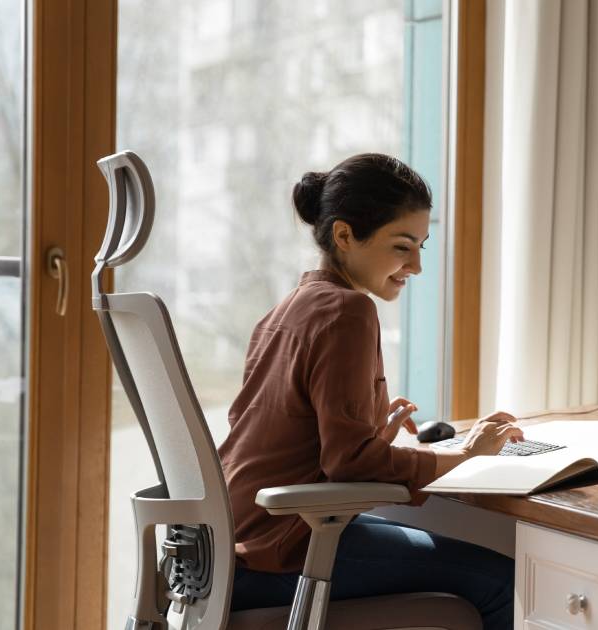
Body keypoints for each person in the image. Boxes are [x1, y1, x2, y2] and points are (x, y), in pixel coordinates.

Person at [218, 153, 522, 629]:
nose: (417, 266)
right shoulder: (348, 311)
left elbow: (291, 443)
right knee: (507, 581)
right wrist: (468, 457)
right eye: (403, 247)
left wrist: (373, 437)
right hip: (281, 553)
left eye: (421, 245)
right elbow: (350, 464)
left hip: (229, 552)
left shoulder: (285, 311)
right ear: (344, 236)